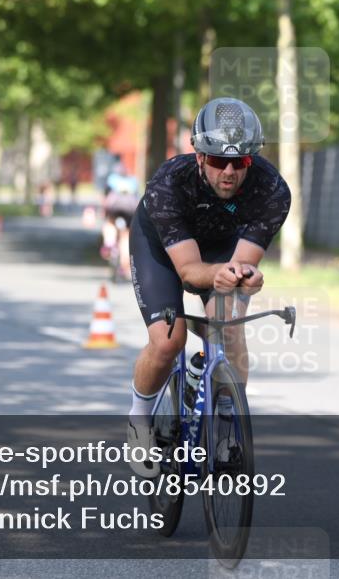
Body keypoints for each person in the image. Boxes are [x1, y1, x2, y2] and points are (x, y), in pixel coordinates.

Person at [125, 97, 291, 477]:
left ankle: (226, 431)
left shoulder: (272, 190)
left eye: (240, 162)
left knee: (227, 323)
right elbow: (189, 272)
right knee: (169, 340)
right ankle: (139, 420)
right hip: (163, 249)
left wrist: (246, 277)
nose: (229, 171)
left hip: (222, 245)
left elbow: (242, 263)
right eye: (218, 161)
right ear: (199, 156)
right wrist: (219, 273)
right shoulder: (169, 184)